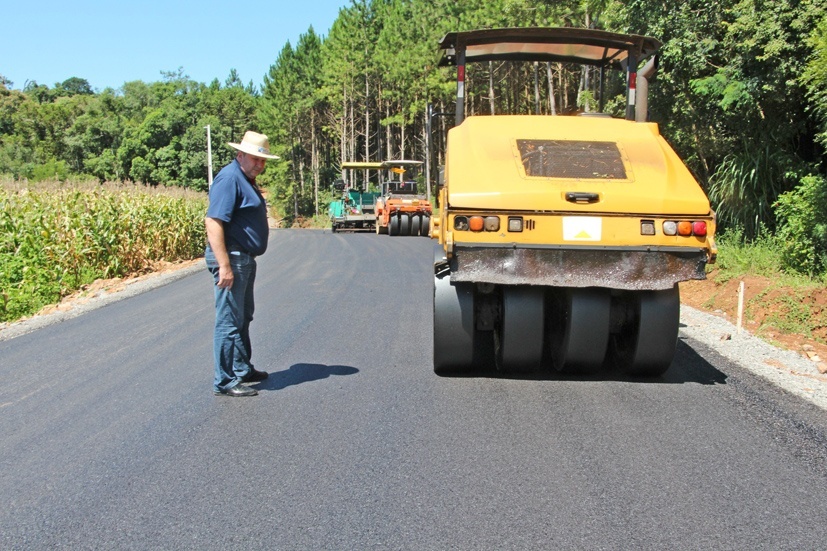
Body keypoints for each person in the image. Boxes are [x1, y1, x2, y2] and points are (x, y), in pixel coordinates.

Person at [205, 131, 278, 397]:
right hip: (232, 258)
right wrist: (224, 265)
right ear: (240, 155)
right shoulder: (230, 178)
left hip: (243, 259)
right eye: (255, 158)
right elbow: (213, 221)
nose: (259, 164)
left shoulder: (245, 179)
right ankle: (224, 381)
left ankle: (241, 368)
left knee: (243, 316)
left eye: (263, 160)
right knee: (228, 320)